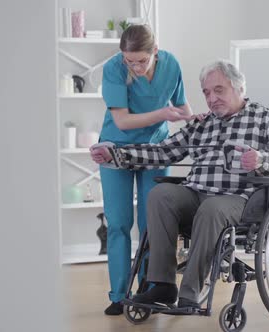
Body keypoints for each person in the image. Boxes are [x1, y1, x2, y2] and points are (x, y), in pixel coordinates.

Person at [91, 60, 269, 309]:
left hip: (240, 199)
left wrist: (261, 159)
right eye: (206, 92)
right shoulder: (203, 124)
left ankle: (189, 293)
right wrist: (116, 154)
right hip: (197, 193)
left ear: (239, 87)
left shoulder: (267, 119)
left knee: (212, 208)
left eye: (218, 90)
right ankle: (162, 285)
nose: (211, 98)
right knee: (160, 194)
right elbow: (161, 152)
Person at [96, 24, 194, 316]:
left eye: (142, 60)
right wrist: (163, 114)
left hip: (155, 151)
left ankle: (148, 289)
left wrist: (194, 119)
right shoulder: (114, 68)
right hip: (116, 150)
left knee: (153, 224)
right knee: (118, 223)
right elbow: (123, 122)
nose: (135, 67)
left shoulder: (171, 64)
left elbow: (183, 107)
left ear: (155, 51)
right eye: (130, 60)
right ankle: (118, 294)